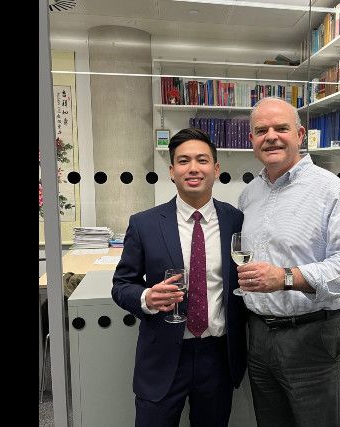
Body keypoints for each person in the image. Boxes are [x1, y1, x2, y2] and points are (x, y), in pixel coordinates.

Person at [236, 97, 340, 426]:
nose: (271, 136)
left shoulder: (330, 190)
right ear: (251, 139)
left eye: (281, 128)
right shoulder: (249, 194)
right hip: (260, 338)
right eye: (261, 130)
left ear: (300, 134)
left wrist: (285, 277)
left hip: (313, 339)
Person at [111, 128, 247, 427]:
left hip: (217, 356)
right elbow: (121, 285)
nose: (194, 168)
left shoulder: (236, 220)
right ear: (172, 171)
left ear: (216, 169)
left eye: (202, 160)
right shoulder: (144, 223)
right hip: (162, 357)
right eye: (183, 161)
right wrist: (146, 297)